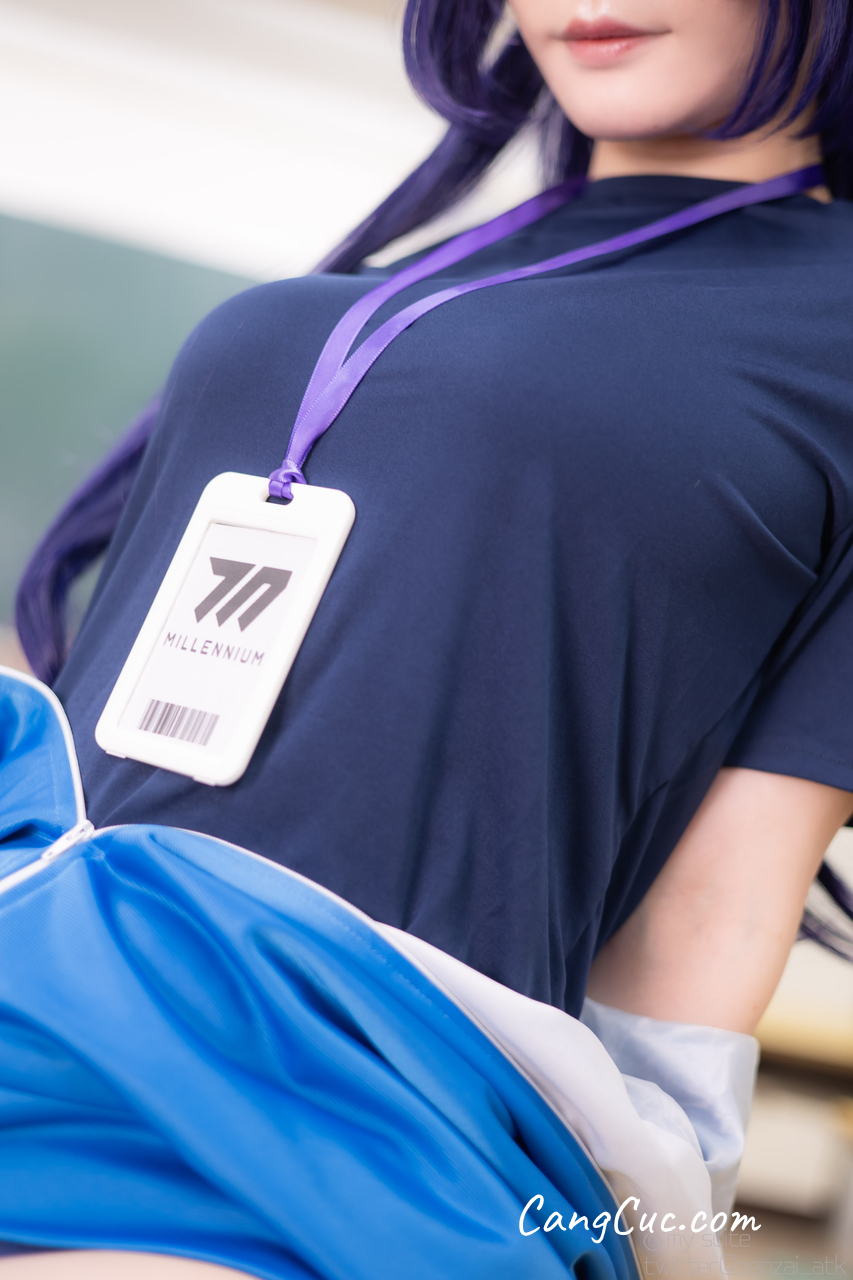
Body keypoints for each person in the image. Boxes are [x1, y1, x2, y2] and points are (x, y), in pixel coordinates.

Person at [4, 0, 853, 1274]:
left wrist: (648, 1222)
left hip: (337, 1092)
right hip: (42, 955)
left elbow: (718, 903)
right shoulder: (433, 266)